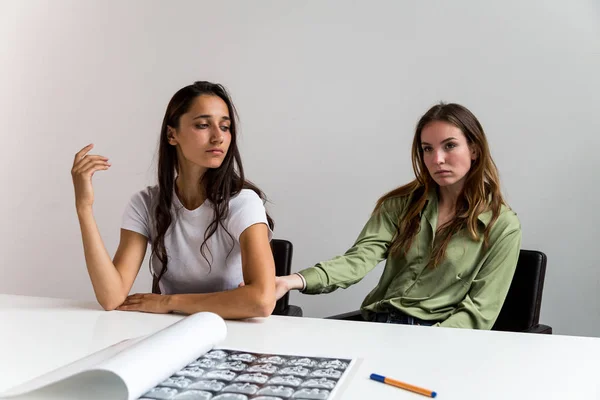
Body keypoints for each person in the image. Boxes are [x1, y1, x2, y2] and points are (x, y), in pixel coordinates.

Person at [276, 103, 521, 329]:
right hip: (378, 325)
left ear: (474, 149)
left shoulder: (502, 226)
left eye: (450, 145)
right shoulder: (400, 205)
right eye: (427, 149)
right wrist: (292, 281)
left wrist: (421, 346)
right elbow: (358, 260)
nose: (437, 159)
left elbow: (478, 312)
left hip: (438, 335)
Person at [71, 81, 276, 319]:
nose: (218, 137)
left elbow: (261, 301)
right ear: (172, 134)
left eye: (225, 127)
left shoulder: (243, 203)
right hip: (167, 333)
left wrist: (169, 302)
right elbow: (111, 297)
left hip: (231, 331)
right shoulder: (146, 203)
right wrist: (84, 208)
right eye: (203, 125)